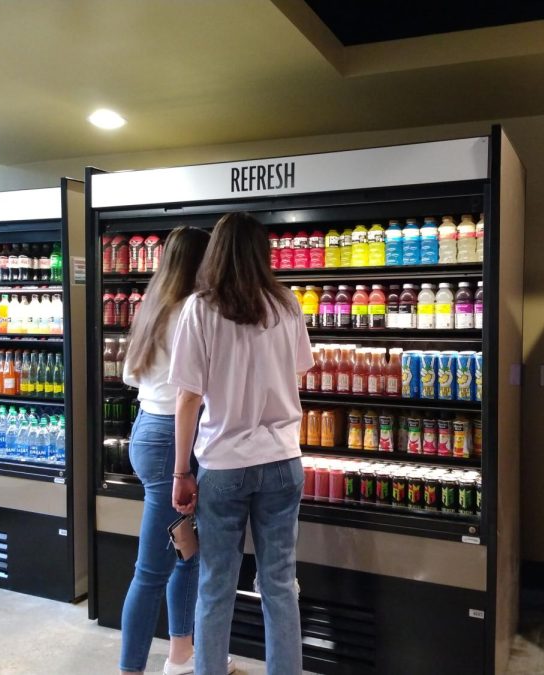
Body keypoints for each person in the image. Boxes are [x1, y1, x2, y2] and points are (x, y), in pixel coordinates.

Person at [169, 212, 312, 675]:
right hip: (283, 459)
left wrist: (181, 471)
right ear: (262, 254)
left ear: (216, 253)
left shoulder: (200, 308)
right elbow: (298, 371)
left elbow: (188, 396)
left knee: (216, 584)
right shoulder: (287, 304)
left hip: (224, 463)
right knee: (279, 583)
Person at [118, 226, 215, 675]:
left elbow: (130, 378)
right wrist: (182, 469)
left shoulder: (153, 307)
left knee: (186, 551)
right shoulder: (196, 312)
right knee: (152, 570)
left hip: (147, 429)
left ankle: (181, 655)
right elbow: (191, 394)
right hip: (176, 439)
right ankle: (131, 669)